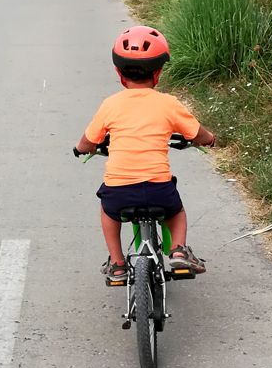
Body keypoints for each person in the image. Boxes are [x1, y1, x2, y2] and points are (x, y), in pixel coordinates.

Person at [73, 25, 216, 283]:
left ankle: (117, 264)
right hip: (159, 189)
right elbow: (197, 134)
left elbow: (87, 141)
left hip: (119, 191)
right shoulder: (169, 104)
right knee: (176, 212)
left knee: (107, 212)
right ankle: (178, 250)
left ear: (119, 72)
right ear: (159, 72)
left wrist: (82, 149)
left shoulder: (110, 104)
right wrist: (210, 140)